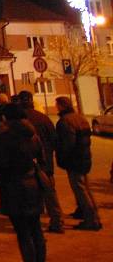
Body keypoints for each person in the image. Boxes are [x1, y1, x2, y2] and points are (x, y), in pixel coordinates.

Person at [0, 104, 46, 262]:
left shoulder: (5, 137)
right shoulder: (32, 134)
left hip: (14, 187)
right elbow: (42, 159)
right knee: (36, 229)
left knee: (23, 232)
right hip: (33, 184)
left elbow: (1, 164)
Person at [17, 90, 63, 232]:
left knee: (28, 194)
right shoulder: (43, 118)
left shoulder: (18, 121)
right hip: (45, 162)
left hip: (26, 163)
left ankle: (31, 222)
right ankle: (57, 221)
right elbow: (55, 139)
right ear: (31, 100)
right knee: (50, 192)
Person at [54, 96, 101, 230]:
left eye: (57, 105)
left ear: (62, 106)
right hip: (84, 158)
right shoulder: (80, 118)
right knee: (85, 188)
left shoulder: (65, 121)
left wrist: (62, 156)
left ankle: (91, 220)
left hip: (74, 160)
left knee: (80, 190)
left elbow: (68, 144)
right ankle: (93, 215)